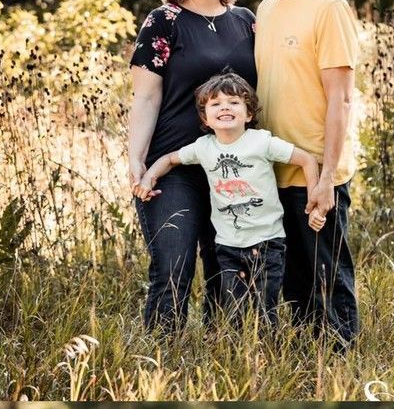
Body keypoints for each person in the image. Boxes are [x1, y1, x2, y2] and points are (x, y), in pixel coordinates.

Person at [128, 0, 257, 334]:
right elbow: (146, 98)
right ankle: (159, 368)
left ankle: (224, 365)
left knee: (230, 273)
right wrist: (135, 158)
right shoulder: (163, 21)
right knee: (173, 270)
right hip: (174, 166)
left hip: (234, 168)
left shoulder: (247, 21)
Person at [254, 0, 361, 347]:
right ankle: (303, 368)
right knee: (293, 285)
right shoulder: (264, 8)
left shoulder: (328, 5)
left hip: (316, 171)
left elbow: (341, 97)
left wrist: (326, 177)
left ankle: (339, 366)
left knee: (328, 278)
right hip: (273, 168)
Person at [136, 71, 322, 325]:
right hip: (228, 246)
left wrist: (314, 202)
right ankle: (236, 357)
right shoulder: (204, 147)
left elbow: (306, 160)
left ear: (249, 114)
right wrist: (149, 178)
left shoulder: (261, 142)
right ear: (205, 118)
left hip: (267, 242)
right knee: (234, 312)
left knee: (264, 312)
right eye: (216, 104)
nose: (225, 107)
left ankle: (265, 358)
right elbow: (169, 159)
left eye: (234, 102)